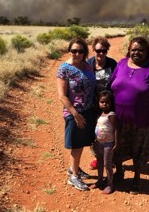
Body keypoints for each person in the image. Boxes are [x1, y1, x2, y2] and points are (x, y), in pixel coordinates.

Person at [108, 36, 149, 195]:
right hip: (118, 118)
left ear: (147, 52)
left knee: (138, 149)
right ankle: (119, 171)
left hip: (141, 119)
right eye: (133, 49)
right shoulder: (121, 64)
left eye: (140, 50)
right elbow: (110, 86)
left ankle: (136, 178)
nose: (136, 52)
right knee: (117, 146)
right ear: (129, 50)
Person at [56, 37, 96, 191]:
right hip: (74, 113)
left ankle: (74, 168)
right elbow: (62, 95)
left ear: (85, 52)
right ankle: (74, 177)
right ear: (69, 51)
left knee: (81, 143)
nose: (77, 54)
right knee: (76, 145)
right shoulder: (64, 68)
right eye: (74, 51)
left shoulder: (87, 66)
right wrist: (75, 114)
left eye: (80, 51)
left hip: (88, 111)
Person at [87, 36, 117, 170]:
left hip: (109, 104)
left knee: (109, 130)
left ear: (107, 51)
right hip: (93, 104)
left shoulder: (112, 64)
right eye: (98, 50)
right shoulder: (88, 64)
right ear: (93, 50)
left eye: (103, 51)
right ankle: (96, 157)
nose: (100, 54)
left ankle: (109, 157)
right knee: (95, 131)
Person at [90, 90, 119, 194]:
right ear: (98, 102)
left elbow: (116, 129)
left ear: (111, 103)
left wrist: (116, 143)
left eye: (107, 102)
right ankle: (100, 180)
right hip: (99, 143)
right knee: (100, 162)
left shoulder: (111, 114)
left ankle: (110, 185)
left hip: (108, 144)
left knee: (107, 164)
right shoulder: (100, 114)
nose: (104, 104)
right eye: (102, 102)